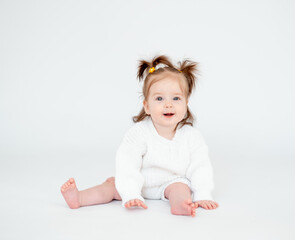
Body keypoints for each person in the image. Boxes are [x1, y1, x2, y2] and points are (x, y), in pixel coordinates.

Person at [60, 55, 219, 217]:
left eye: (176, 98)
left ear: (186, 105)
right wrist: (130, 192)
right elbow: (127, 163)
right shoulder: (139, 133)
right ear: (147, 106)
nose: (168, 104)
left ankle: (180, 206)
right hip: (139, 182)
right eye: (159, 98)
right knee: (111, 186)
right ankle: (79, 198)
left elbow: (200, 167)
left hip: (171, 183)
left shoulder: (191, 136)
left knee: (182, 189)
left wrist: (202, 194)